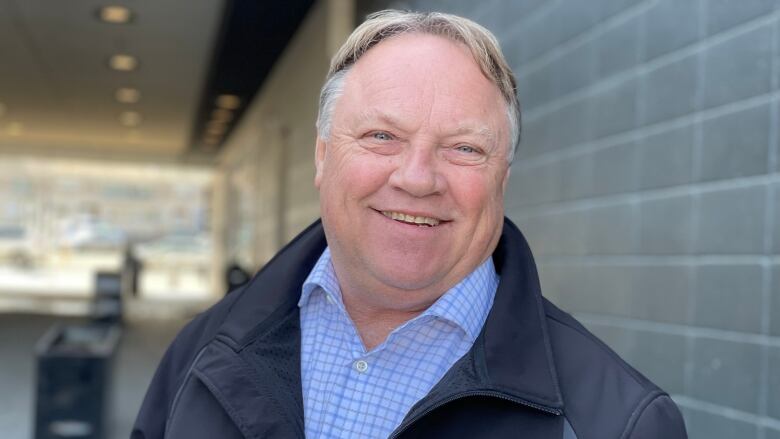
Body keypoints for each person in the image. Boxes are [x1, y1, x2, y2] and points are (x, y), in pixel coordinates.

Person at [132, 10, 687, 439]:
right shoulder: (202, 350)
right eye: (381, 137)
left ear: (503, 177)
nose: (418, 178)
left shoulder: (617, 421)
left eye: (464, 148)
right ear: (323, 156)